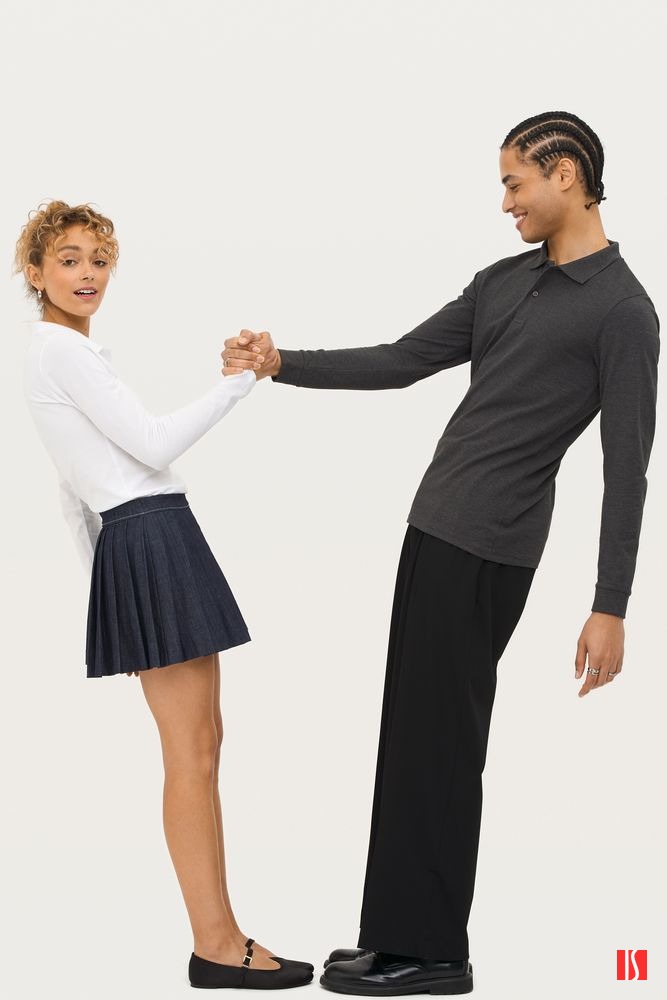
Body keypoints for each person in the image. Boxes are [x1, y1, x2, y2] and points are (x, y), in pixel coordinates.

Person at [220, 111, 660, 995]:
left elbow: (627, 471)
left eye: (513, 183)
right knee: (411, 736)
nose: (505, 203)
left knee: (445, 746)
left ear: (565, 175)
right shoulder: (503, 281)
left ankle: (435, 954)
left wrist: (608, 604)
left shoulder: (623, 311)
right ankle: (395, 936)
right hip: (433, 530)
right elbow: (401, 360)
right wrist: (279, 363)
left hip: (491, 550)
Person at [18, 201, 313, 991]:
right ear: (35, 271)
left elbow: (72, 494)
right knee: (191, 752)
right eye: (69, 260)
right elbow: (150, 444)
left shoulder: (64, 354)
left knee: (203, 744)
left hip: (147, 539)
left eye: (99, 260)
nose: (87, 274)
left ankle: (224, 935)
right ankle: (215, 945)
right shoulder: (61, 352)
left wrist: (109, 590)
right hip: (148, 534)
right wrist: (238, 383)